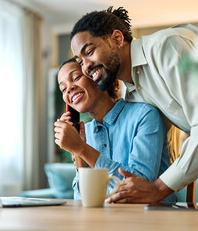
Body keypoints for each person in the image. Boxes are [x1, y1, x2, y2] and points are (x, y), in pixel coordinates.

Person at [69, 7, 198, 204]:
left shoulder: (167, 48)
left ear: (117, 39)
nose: (86, 66)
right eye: (80, 61)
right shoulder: (133, 95)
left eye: (89, 52)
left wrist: (159, 188)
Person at [54, 58, 176, 203]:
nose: (69, 89)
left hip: (152, 220)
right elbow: (82, 202)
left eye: (76, 78)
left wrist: (82, 149)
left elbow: (139, 187)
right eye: (63, 88)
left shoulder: (144, 115)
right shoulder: (84, 133)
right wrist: (80, 158)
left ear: (98, 77)